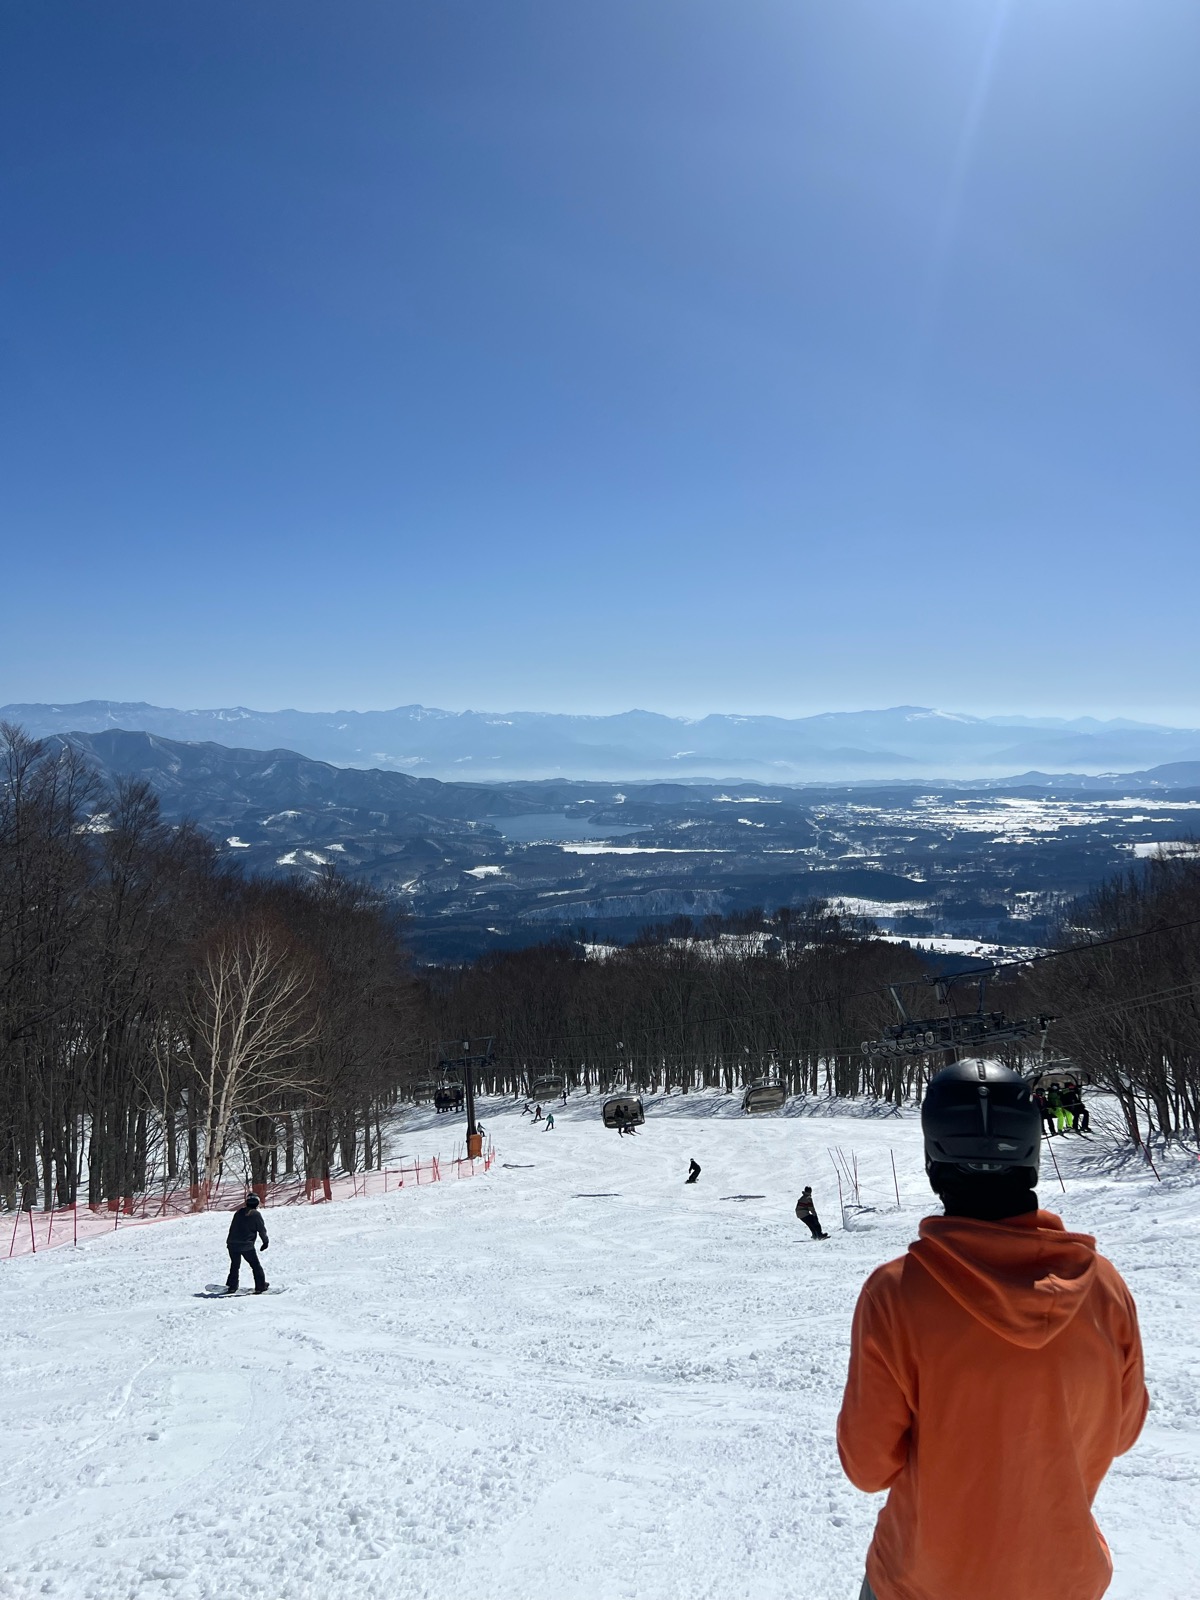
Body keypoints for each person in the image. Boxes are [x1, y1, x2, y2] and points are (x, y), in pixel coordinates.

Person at [837, 1061, 1147, 1600]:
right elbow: (1121, 1433)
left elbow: (868, 1466)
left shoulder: (896, 1293)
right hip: (1063, 1580)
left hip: (922, 1583)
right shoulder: (1102, 1288)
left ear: (934, 1159)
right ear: (1030, 1156)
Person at [226, 1193, 270, 1294]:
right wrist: (265, 1242)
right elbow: (261, 1230)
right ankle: (260, 1285)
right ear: (257, 1203)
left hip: (232, 1243)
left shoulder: (238, 1212)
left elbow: (232, 1228)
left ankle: (232, 1286)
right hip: (246, 1245)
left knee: (235, 1265)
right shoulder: (256, 1214)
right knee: (255, 1265)